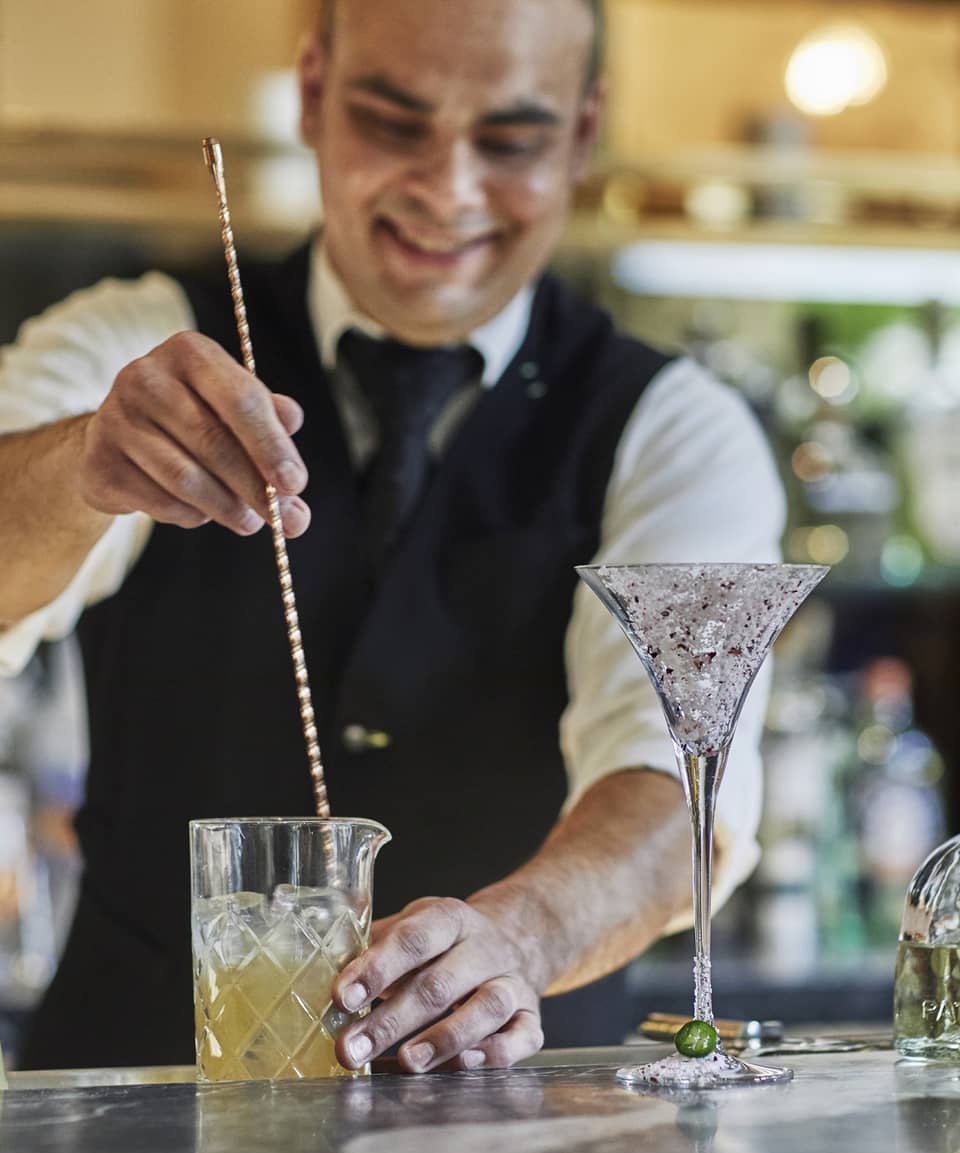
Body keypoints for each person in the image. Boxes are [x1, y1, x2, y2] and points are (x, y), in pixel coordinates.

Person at [0, 0, 784, 1073]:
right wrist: (81, 464)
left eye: (510, 141)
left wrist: (523, 935)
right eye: (393, 121)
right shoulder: (138, 336)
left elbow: (671, 784)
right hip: (139, 1108)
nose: (447, 188)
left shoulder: (674, 429)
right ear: (314, 95)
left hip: (528, 1136)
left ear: (584, 133)